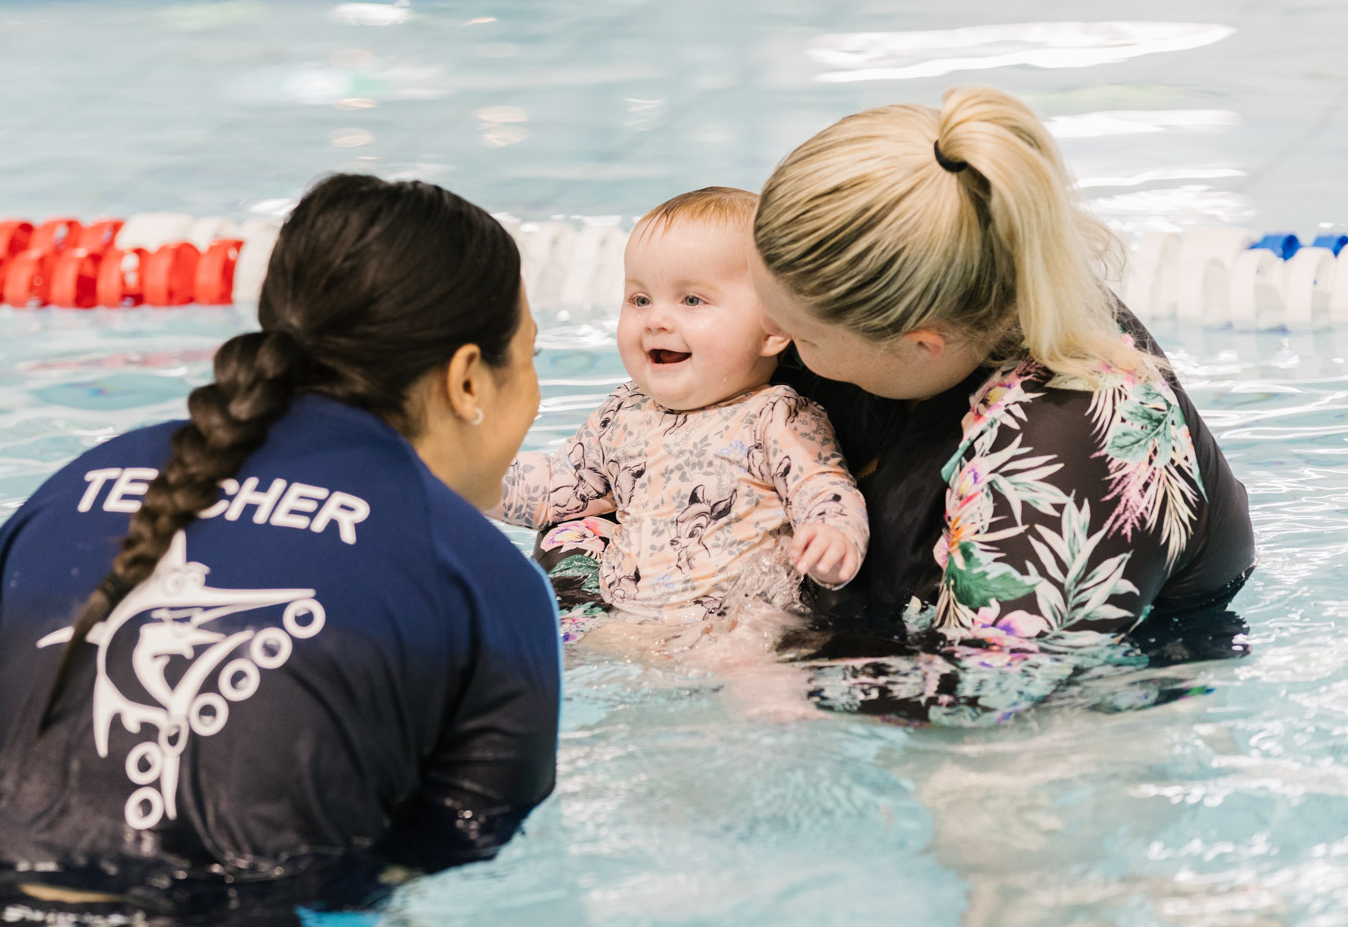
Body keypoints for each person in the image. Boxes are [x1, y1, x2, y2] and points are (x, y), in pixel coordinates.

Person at [0, 174, 561, 913]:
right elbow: (450, 861)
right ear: (466, 379)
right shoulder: (483, 576)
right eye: (530, 357)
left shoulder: (67, 491)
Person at [748, 87, 1255, 719]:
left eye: (802, 334)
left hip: (1094, 699)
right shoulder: (957, 278)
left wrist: (783, 679)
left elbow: (991, 693)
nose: (767, 333)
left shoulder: (1075, 446)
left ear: (921, 344)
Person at [497, 187, 867, 634]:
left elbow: (823, 488)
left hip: (739, 625)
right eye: (639, 299)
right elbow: (562, 485)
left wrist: (834, 536)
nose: (656, 320)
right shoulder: (624, 411)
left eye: (691, 300)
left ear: (773, 328)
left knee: (760, 668)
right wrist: (465, 475)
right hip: (627, 619)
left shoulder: (776, 416)